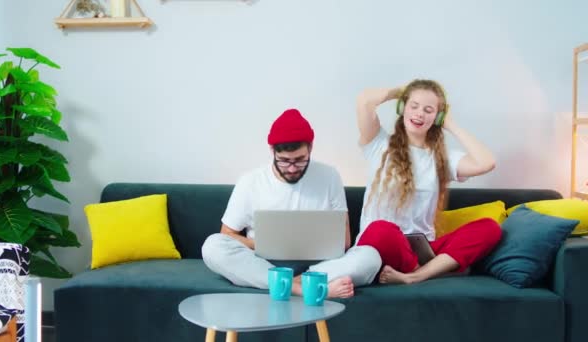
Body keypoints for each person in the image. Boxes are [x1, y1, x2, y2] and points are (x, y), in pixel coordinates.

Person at [202, 108, 381, 298]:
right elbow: (227, 235)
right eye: (284, 161)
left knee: (370, 257)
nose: (292, 168)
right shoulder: (250, 181)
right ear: (272, 151)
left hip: (320, 265)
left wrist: (310, 246)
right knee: (213, 246)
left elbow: (344, 241)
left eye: (300, 160)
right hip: (264, 263)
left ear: (310, 148)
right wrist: (264, 244)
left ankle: (289, 284)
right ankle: (303, 288)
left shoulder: (330, 176)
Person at [354, 79, 502, 285]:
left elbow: (486, 162)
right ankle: (430, 272)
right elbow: (364, 100)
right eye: (413, 106)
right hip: (380, 247)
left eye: (429, 110)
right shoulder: (378, 143)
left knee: (490, 227)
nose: (419, 113)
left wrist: (450, 124)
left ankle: (415, 276)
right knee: (381, 229)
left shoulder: (442, 157)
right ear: (402, 107)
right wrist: (401, 92)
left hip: (423, 251)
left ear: (438, 116)